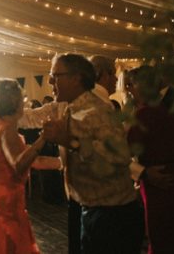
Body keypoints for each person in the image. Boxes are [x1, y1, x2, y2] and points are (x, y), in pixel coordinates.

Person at [42, 54, 142, 254]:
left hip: (113, 216)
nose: (51, 81)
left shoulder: (98, 111)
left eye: (56, 75)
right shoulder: (72, 110)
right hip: (94, 211)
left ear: (76, 78)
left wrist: (71, 142)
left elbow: (121, 157)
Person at [0, 78, 61, 254]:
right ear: (14, 101)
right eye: (22, 98)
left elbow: (34, 161)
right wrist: (43, 138)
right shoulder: (7, 130)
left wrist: (62, 163)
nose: (24, 102)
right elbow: (19, 164)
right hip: (3, 211)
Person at [123, 66, 174, 254]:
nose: (128, 89)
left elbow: (125, 149)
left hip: (158, 180)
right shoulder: (159, 108)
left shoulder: (145, 113)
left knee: (161, 236)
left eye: (131, 84)